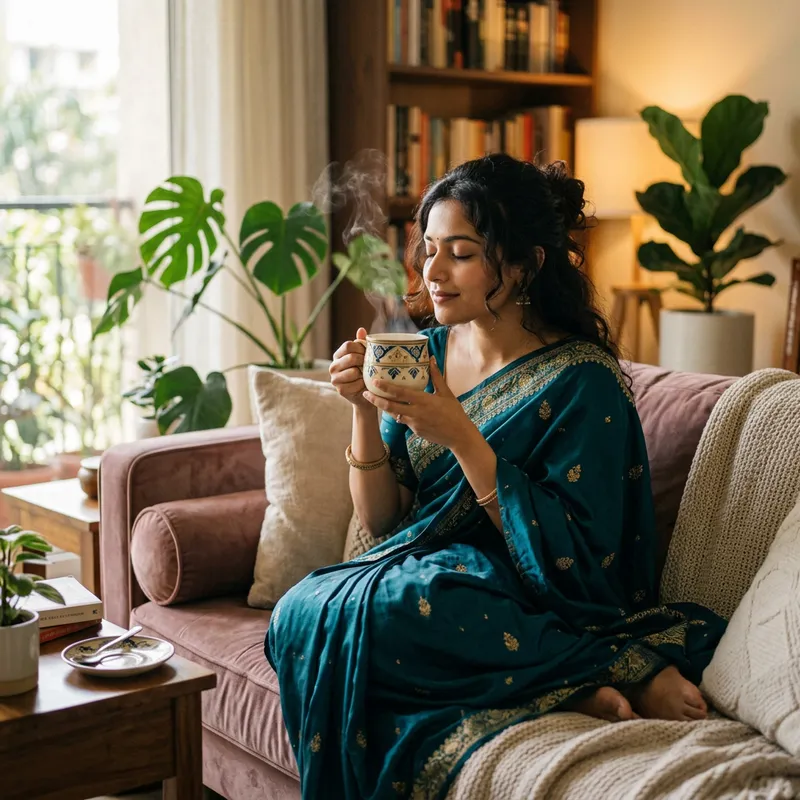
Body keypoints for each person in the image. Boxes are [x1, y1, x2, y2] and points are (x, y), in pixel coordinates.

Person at [265, 154, 726, 800]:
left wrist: (459, 433)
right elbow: (382, 522)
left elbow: (584, 563)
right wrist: (362, 414)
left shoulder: (581, 381)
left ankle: (615, 662)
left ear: (523, 264)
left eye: (459, 252)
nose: (432, 272)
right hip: (425, 568)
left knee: (398, 614)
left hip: (521, 591)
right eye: (427, 250)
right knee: (299, 612)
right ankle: (571, 685)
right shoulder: (422, 355)